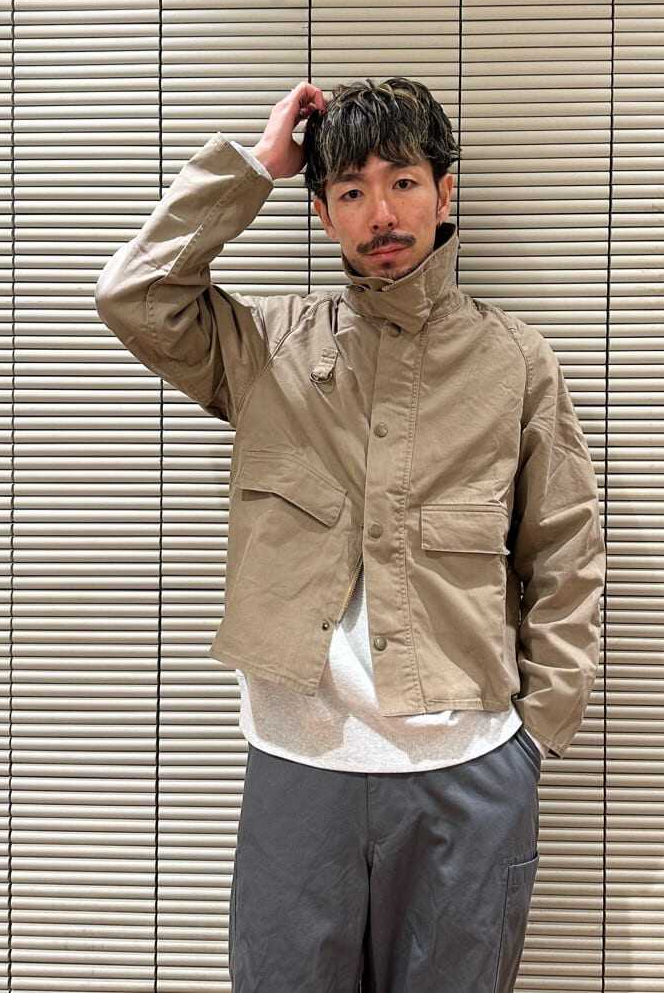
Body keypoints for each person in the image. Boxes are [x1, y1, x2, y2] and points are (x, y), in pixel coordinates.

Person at [95, 77, 606, 992]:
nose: (382, 213)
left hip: (469, 768)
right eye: (350, 190)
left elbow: (563, 552)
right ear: (322, 213)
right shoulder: (266, 346)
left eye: (403, 182)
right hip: (299, 764)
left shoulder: (514, 359)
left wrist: (536, 735)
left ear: (444, 193)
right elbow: (133, 294)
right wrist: (255, 168)